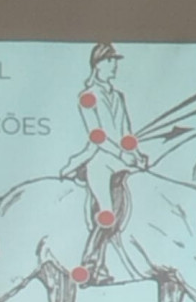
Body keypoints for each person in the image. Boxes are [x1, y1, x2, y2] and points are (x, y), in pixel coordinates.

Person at [61, 43, 149, 284]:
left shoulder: (118, 96)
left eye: (115, 61)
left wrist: (137, 154)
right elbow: (97, 136)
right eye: (109, 61)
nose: (114, 66)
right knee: (107, 214)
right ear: (97, 65)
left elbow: (126, 133)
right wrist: (122, 154)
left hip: (121, 160)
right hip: (100, 160)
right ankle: (90, 265)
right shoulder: (88, 97)